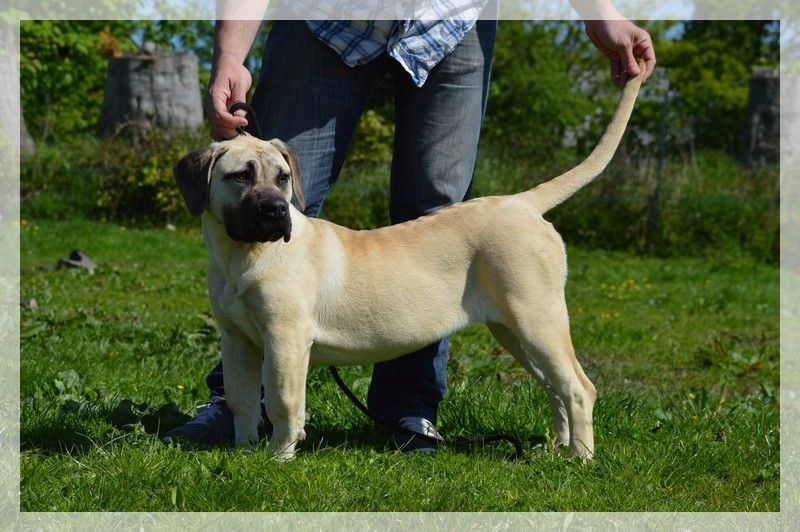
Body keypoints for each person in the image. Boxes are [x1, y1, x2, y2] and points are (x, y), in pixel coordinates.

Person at [163, 1, 656, 452]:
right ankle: (234, 412)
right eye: (242, 180)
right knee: (277, 276)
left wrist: (600, 11)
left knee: (436, 208)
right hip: (327, 18)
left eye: (279, 183)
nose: (269, 198)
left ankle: (410, 410)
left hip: (451, 20)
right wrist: (230, 55)